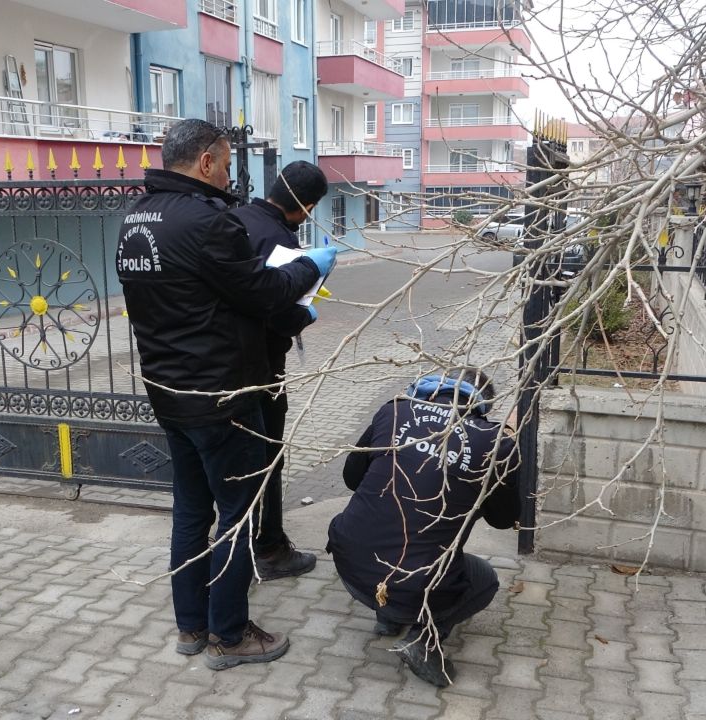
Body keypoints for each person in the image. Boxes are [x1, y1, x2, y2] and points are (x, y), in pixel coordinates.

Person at [116, 119, 338, 670]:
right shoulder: (207, 222)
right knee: (236, 517)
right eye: (226, 159)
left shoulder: (135, 220)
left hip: (169, 391)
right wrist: (311, 265)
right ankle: (230, 635)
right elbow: (263, 291)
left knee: (191, 512)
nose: (230, 171)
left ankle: (191, 626)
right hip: (223, 397)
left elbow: (200, 298)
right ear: (207, 161)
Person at [327, 367, 520, 687]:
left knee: (390, 531)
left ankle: (388, 617)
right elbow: (503, 520)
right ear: (484, 404)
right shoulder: (494, 442)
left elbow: (351, 478)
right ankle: (424, 640)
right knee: (484, 581)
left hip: (349, 563)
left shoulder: (394, 410)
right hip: (414, 582)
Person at [230, 161, 330, 581]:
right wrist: (309, 312)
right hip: (263, 366)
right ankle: (269, 548)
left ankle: (239, 542)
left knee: (236, 462)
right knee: (268, 458)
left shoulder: (233, 220)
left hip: (221, 366)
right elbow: (279, 312)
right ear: (306, 206)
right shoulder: (281, 239)